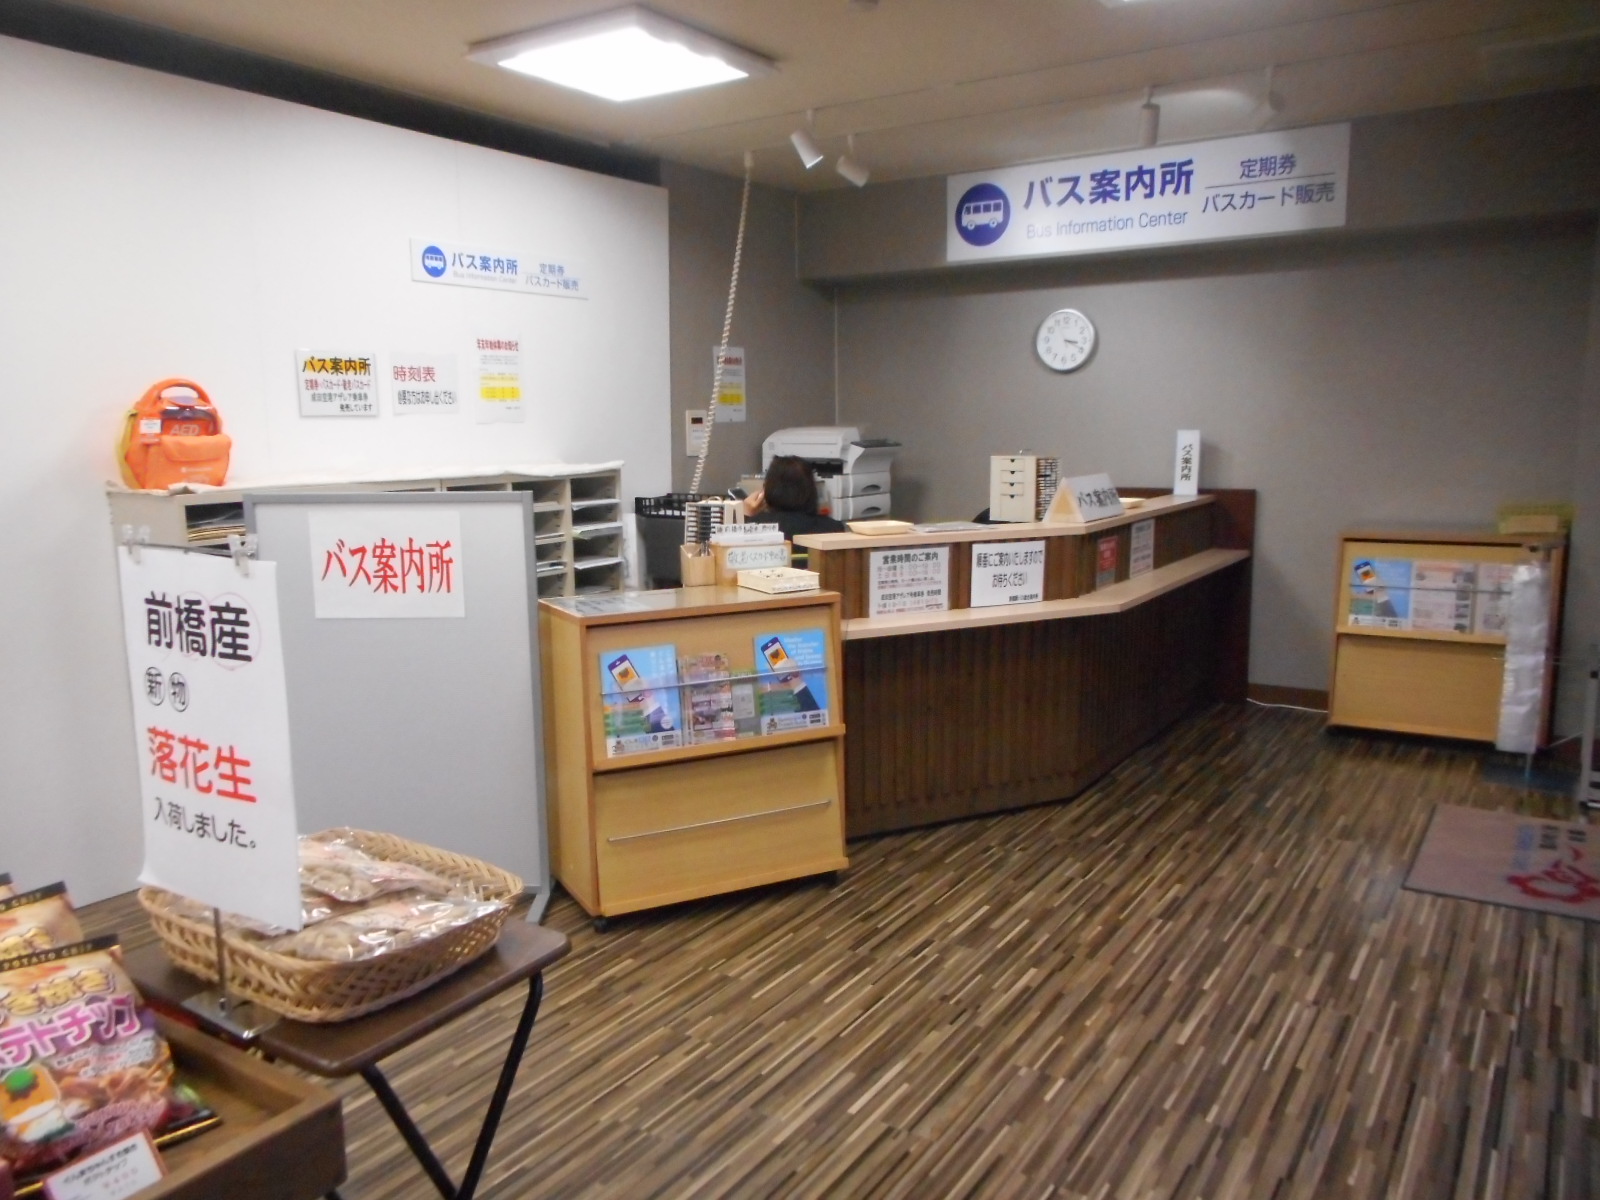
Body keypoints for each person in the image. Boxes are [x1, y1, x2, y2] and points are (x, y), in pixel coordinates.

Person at [743, 456, 846, 539]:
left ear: (768, 489)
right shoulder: (833, 528)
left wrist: (746, 515)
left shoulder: (756, 526)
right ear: (811, 488)